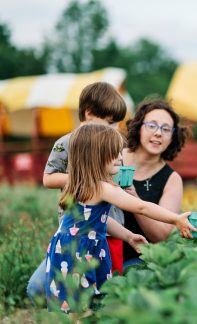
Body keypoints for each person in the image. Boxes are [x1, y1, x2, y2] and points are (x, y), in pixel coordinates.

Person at [45, 124, 197, 313]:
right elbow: (141, 207)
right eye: (114, 153)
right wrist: (175, 219)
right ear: (96, 156)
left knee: (75, 304)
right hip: (80, 252)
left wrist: (128, 236)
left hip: (69, 247)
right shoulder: (102, 187)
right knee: (85, 307)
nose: (120, 157)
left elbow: (98, 220)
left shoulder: (80, 184)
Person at [27, 82, 128, 302]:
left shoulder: (113, 143)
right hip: (78, 230)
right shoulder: (66, 143)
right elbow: (48, 178)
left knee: (107, 284)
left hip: (111, 225)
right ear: (90, 114)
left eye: (117, 124)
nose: (115, 129)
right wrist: (84, 179)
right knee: (74, 284)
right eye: (111, 123)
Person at [120, 98, 191, 269]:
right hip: (97, 248)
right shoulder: (114, 158)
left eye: (166, 129)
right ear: (138, 127)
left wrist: (134, 198)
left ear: (172, 136)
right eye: (152, 125)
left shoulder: (171, 180)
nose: (158, 133)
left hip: (137, 259)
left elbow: (161, 236)